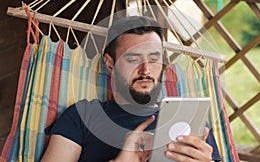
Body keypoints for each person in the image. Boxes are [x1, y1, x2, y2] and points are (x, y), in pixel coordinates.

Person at [41, 16, 221, 162]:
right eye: (133, 60)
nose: (146, 70)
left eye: (153, 58)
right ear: (110, 64)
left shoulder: (187, 119)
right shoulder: (83, 116)